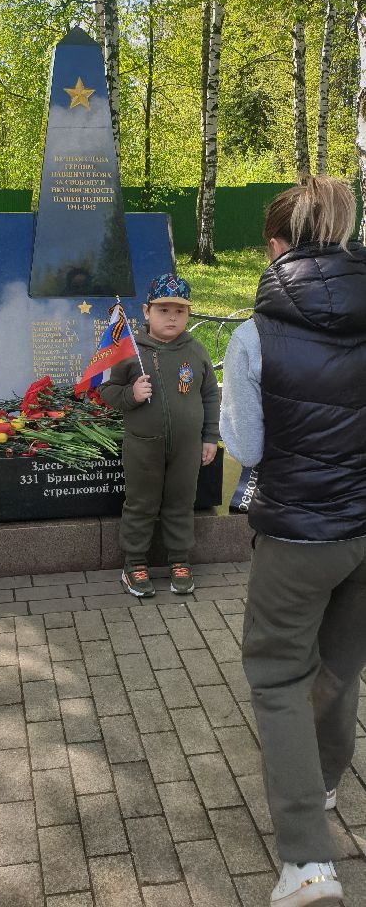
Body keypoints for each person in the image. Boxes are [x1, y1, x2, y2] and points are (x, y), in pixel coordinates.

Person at [220, 176, 366, 907]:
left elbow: (246, 442)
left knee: (277, 681)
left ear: (276, 246)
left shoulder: (252, 336)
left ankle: (308, 863)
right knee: (340, 666)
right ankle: (327, 783)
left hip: (297, 535)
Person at [99, 273, 219, 597]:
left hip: (187, 447)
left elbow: (210, 395)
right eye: (164, 310)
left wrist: (210, 436)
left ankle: (179, 559)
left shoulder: (196, 352)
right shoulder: (131, 351)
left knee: (181, 501)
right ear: (147, 312)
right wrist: (131, 395)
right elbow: (108, 390)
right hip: (143, 446)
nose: (172, 317)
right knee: (141, 503)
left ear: (188, 315)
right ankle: (134, 563)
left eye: (179, 311)